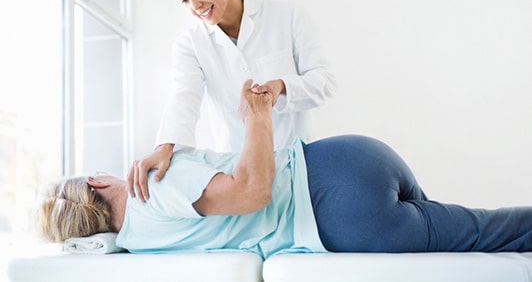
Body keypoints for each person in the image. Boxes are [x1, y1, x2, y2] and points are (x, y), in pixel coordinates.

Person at [38, 80, 531, 259]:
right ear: (99, 182)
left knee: (482, 232)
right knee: (489, 230)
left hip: (349, 210)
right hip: (338, 191)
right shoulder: (156, 188)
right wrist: (257, 119)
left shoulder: (132, 242)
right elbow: (251, 191)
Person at [128, 0, 337, 201]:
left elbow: (324, 82)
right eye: (184, 0)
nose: (195, 6)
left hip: (300, 163)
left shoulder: (287, 16)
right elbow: (183, 98)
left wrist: (281, 86)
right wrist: (164, 147)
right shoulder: (190, 44)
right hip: (239, 172)